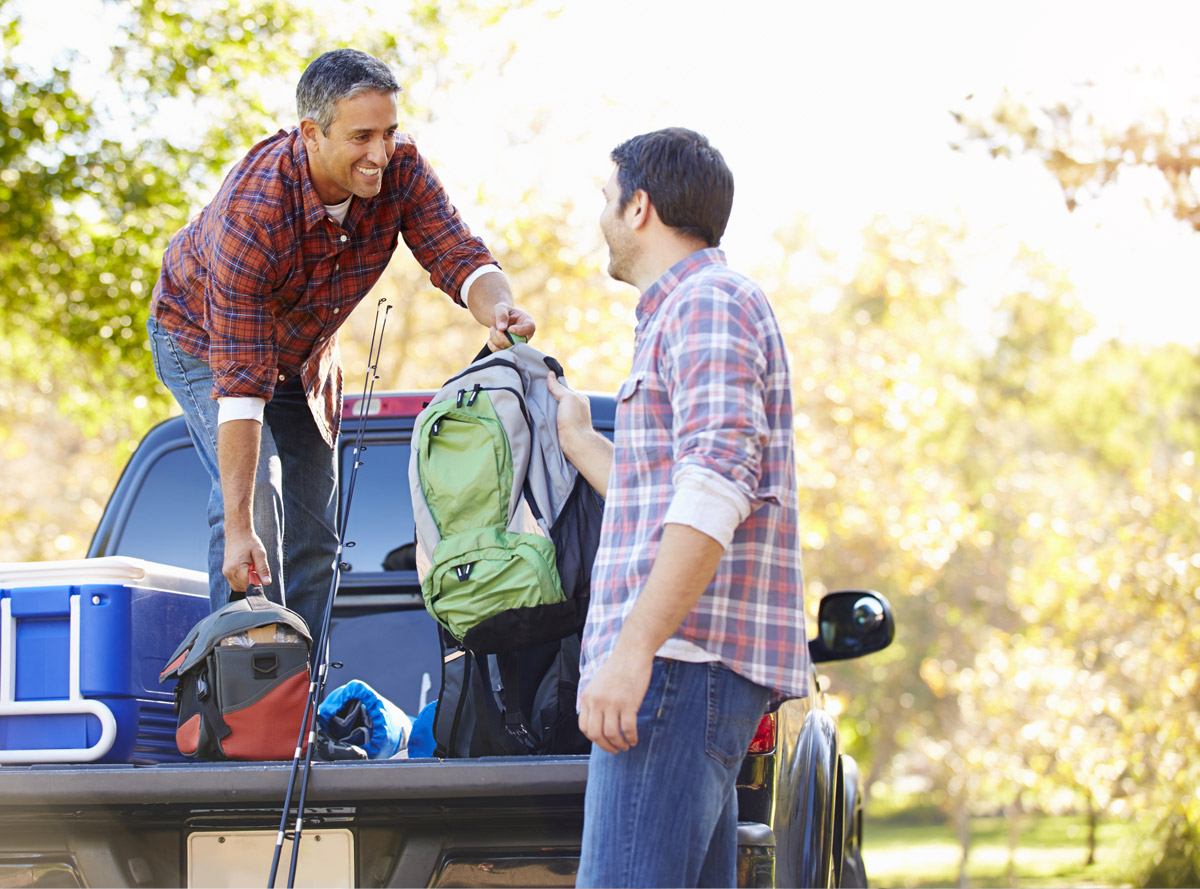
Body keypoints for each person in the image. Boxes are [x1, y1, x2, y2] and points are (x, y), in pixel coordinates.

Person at [146, 49, 534, 634]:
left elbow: (457, 254)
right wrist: (236, 529)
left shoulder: (400, 170)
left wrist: (499, 308)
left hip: (301, 357)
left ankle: (298, 699)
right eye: (361, 137)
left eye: (389, 133)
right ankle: (240, 701)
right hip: (202, 342)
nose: (379, 155)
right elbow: (242, 388)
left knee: (316, 537)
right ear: (311, 133)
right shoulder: (255, 214)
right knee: (256, 505)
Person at [546, 128, 810, 888]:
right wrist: (577, 439)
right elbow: (668, 490)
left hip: (675, 665)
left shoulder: (707, 302)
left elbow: (719, 484)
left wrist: (632, 652)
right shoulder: (685, 312)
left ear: (639, 206)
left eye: (605, 198)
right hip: (681, 669)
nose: (599, 216)